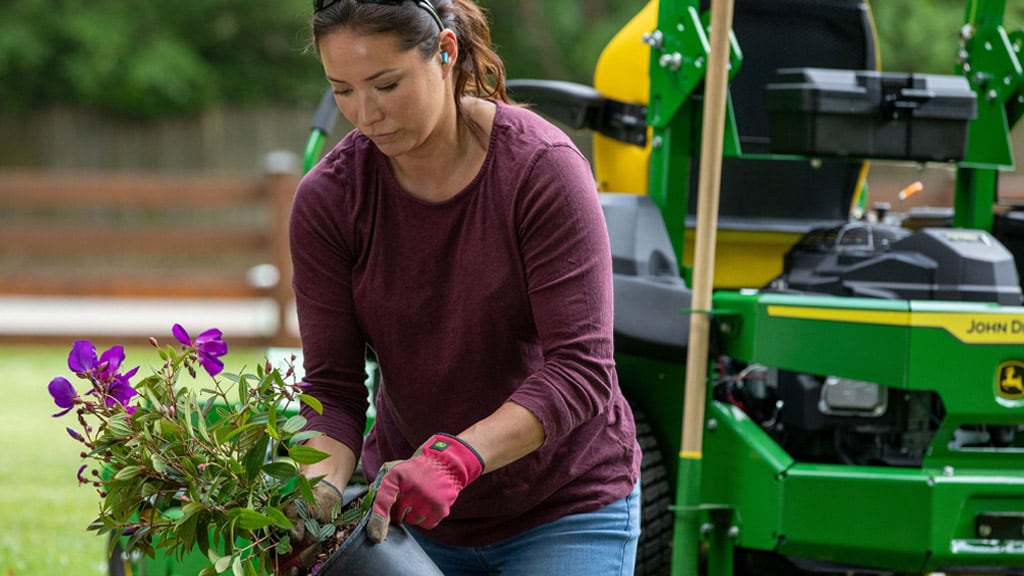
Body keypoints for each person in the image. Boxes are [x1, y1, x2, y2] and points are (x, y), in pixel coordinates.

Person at [284, 0, 642, 574]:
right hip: (410, 519)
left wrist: (455, 460)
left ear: (446, 52)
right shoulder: (330, 201)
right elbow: (334, 389)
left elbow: (582, 369)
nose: (366, 114)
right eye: (343, 90)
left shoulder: (541, 170)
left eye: (386, 84)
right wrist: (315, 492)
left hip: (563, 504)